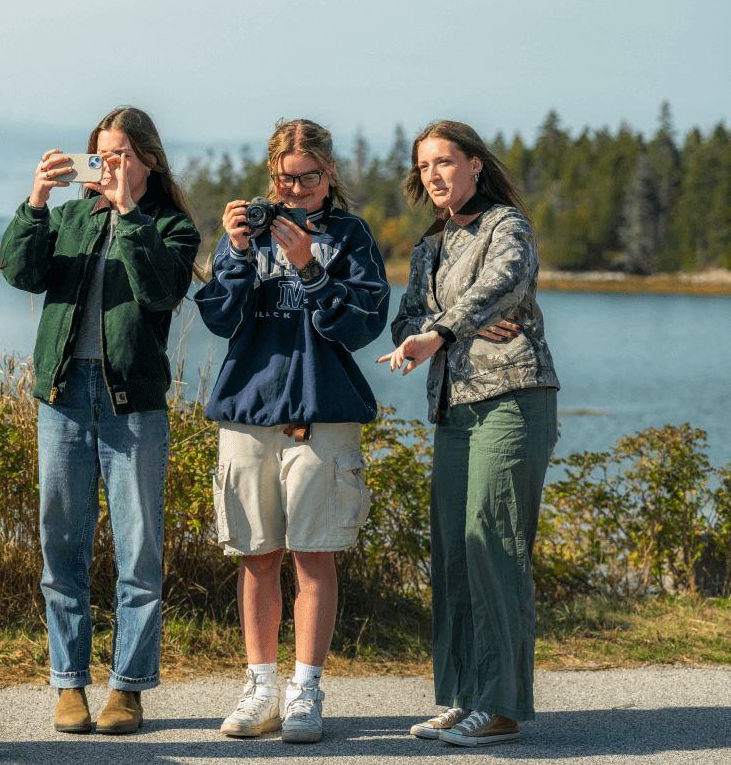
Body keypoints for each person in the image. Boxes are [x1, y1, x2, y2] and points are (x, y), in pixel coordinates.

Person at [0, 106, 200, 735]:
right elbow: (20, 272)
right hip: (62, 395)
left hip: (131, 403)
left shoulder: (171, 227)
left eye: (121, 155)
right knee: (62, 543)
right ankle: (69, 685)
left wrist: (131, 217)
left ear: (149, 161)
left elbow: (163, 291)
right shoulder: (67, 217)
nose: (109, 165)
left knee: (138, 550)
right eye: (101, 153)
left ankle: (129, 688)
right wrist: (36, 202)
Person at [195, 119, 390, 743]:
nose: (298, 187)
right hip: (249, 414)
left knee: (313, 557)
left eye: (309, 177)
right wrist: (235, 251)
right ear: (271, 176)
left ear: (329, 174)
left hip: (323, 415)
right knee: (256, 557)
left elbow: (363, 328)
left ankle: (305, 690)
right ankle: (259, 687)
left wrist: (308, 266)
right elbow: (221, 319)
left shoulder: (351, 236)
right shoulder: (249, 232)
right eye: (286, 178)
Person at [378, 120, 560, 747]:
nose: (433, 175)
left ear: (475, 166)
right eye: (424, 166)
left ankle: (501, 707)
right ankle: (462, 699)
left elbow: (504, 283)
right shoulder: (430, 246)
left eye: (445, 163)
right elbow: (406, 318)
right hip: (454, 410)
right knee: (454, 555)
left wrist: (447, 329)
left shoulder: (505, 225)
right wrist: (464, 326)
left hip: (512, 399)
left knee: (493, 543)